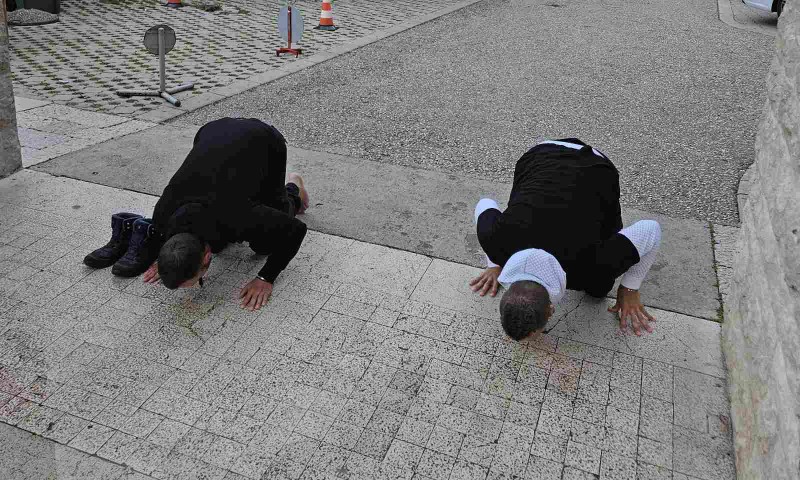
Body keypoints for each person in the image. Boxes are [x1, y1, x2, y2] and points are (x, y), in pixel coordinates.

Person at [83, 118, 309, 311]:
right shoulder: (163, 217)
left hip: (264, 141)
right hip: (210, 131)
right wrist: (170, 263)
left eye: (197, 279)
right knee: (226, 236)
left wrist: (265, 278)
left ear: (207, 257)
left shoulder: (239, 215)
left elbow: (296, 231)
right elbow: (175, 242)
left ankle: (294, 191)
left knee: (264, 246)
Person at [470, 139, 661, 339]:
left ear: (551, 310)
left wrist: (629, 288)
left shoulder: (595, 266)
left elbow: (651, 229)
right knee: (597, 288)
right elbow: (485, 203)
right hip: (539, 156)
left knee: (599, 289)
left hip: (595, 166)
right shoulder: (495, 241)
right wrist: (495, 261)